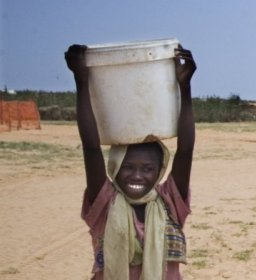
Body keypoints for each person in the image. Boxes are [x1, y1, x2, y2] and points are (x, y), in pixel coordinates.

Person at [67, 43, 197, 280]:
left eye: (147, 169)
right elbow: (91, 148)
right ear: (114, 169)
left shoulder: (169, 202)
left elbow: (186, 150)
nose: (137, 176)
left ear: (159, 172)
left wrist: (185, 87)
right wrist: (81, 81)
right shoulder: (105, 204)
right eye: (128, 167)